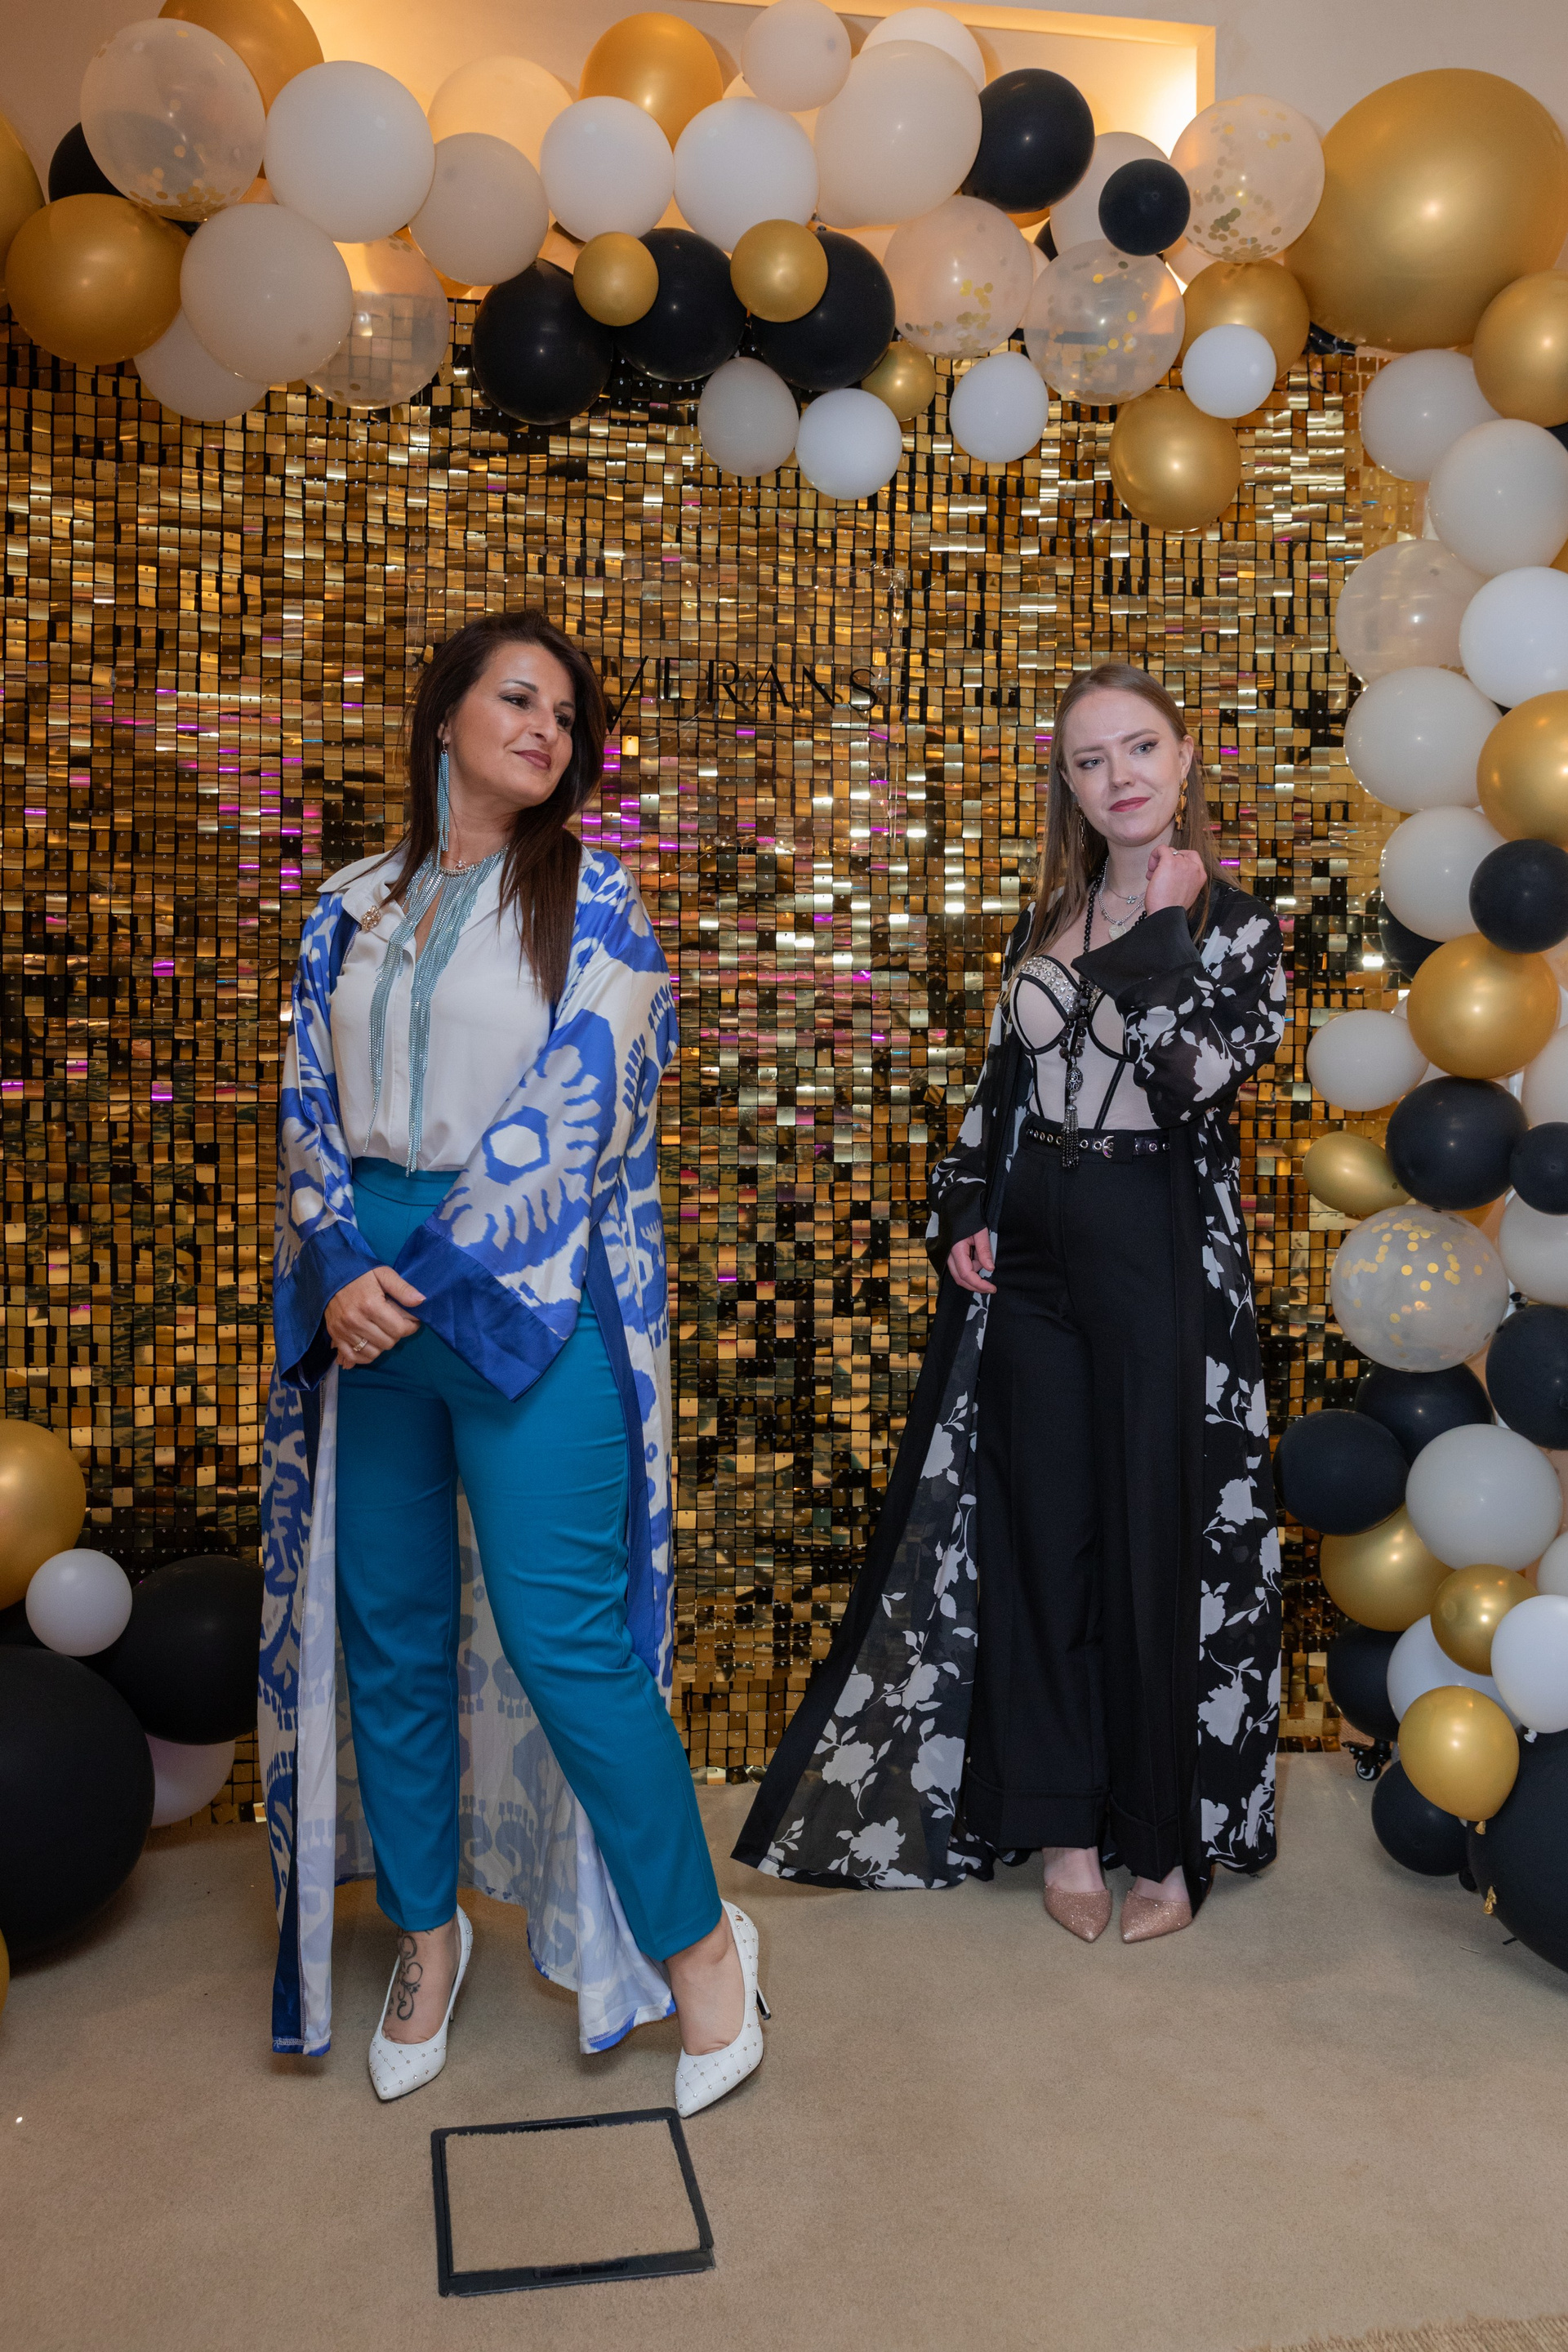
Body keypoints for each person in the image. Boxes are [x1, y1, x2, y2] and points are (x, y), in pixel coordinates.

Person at [259, 608, 766, 2113]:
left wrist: (413, 1278)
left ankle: (701, 1954)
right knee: (392, 1630)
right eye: (520, 699)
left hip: (522, 1299)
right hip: (362, 1296)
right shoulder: (346, 905)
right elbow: (304, 1096)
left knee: (566, 1645)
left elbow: (583, 1106)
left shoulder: (598, 905)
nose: (546, 730)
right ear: (447, 714)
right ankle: (427, 1939)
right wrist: (337, 1263)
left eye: (566, 717)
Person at [735, 662, 1286, 1942]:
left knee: (1155, 1537)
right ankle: (1066, 1824)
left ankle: (1162, 1844)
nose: (1119, 776)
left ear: (1185, 756)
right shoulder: (1045, 918)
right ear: (1069, 785)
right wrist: (966, 1209)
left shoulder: (1239, 926)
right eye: (1090, 760)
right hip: (1034, 1247)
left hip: (1157, 1243)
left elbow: (1190, 1074)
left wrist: (1165, 918)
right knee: (1043, 1536)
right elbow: (1002, 1089)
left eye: (1139, 747)